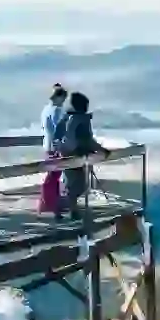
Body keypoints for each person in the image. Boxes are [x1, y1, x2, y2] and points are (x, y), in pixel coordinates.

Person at [54, 91, 110, 220]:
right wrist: (101, 150)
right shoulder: (80, 119)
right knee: (78, 186)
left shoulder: (67, 117)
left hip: (65, 154)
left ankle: (68, 210)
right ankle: (64, 208)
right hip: (77, 155)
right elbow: (87, 139)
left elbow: (59, 137)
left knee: (72, 184)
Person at [38, 84, 69, 214]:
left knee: (53, 176)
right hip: (55, 147)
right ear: (59, 97)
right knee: (53, 177)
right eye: (63, 99)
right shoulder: (57, 110)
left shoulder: (46, 109)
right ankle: (47, 205)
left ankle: (52, 204)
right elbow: (59, 130)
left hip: (47, 145)